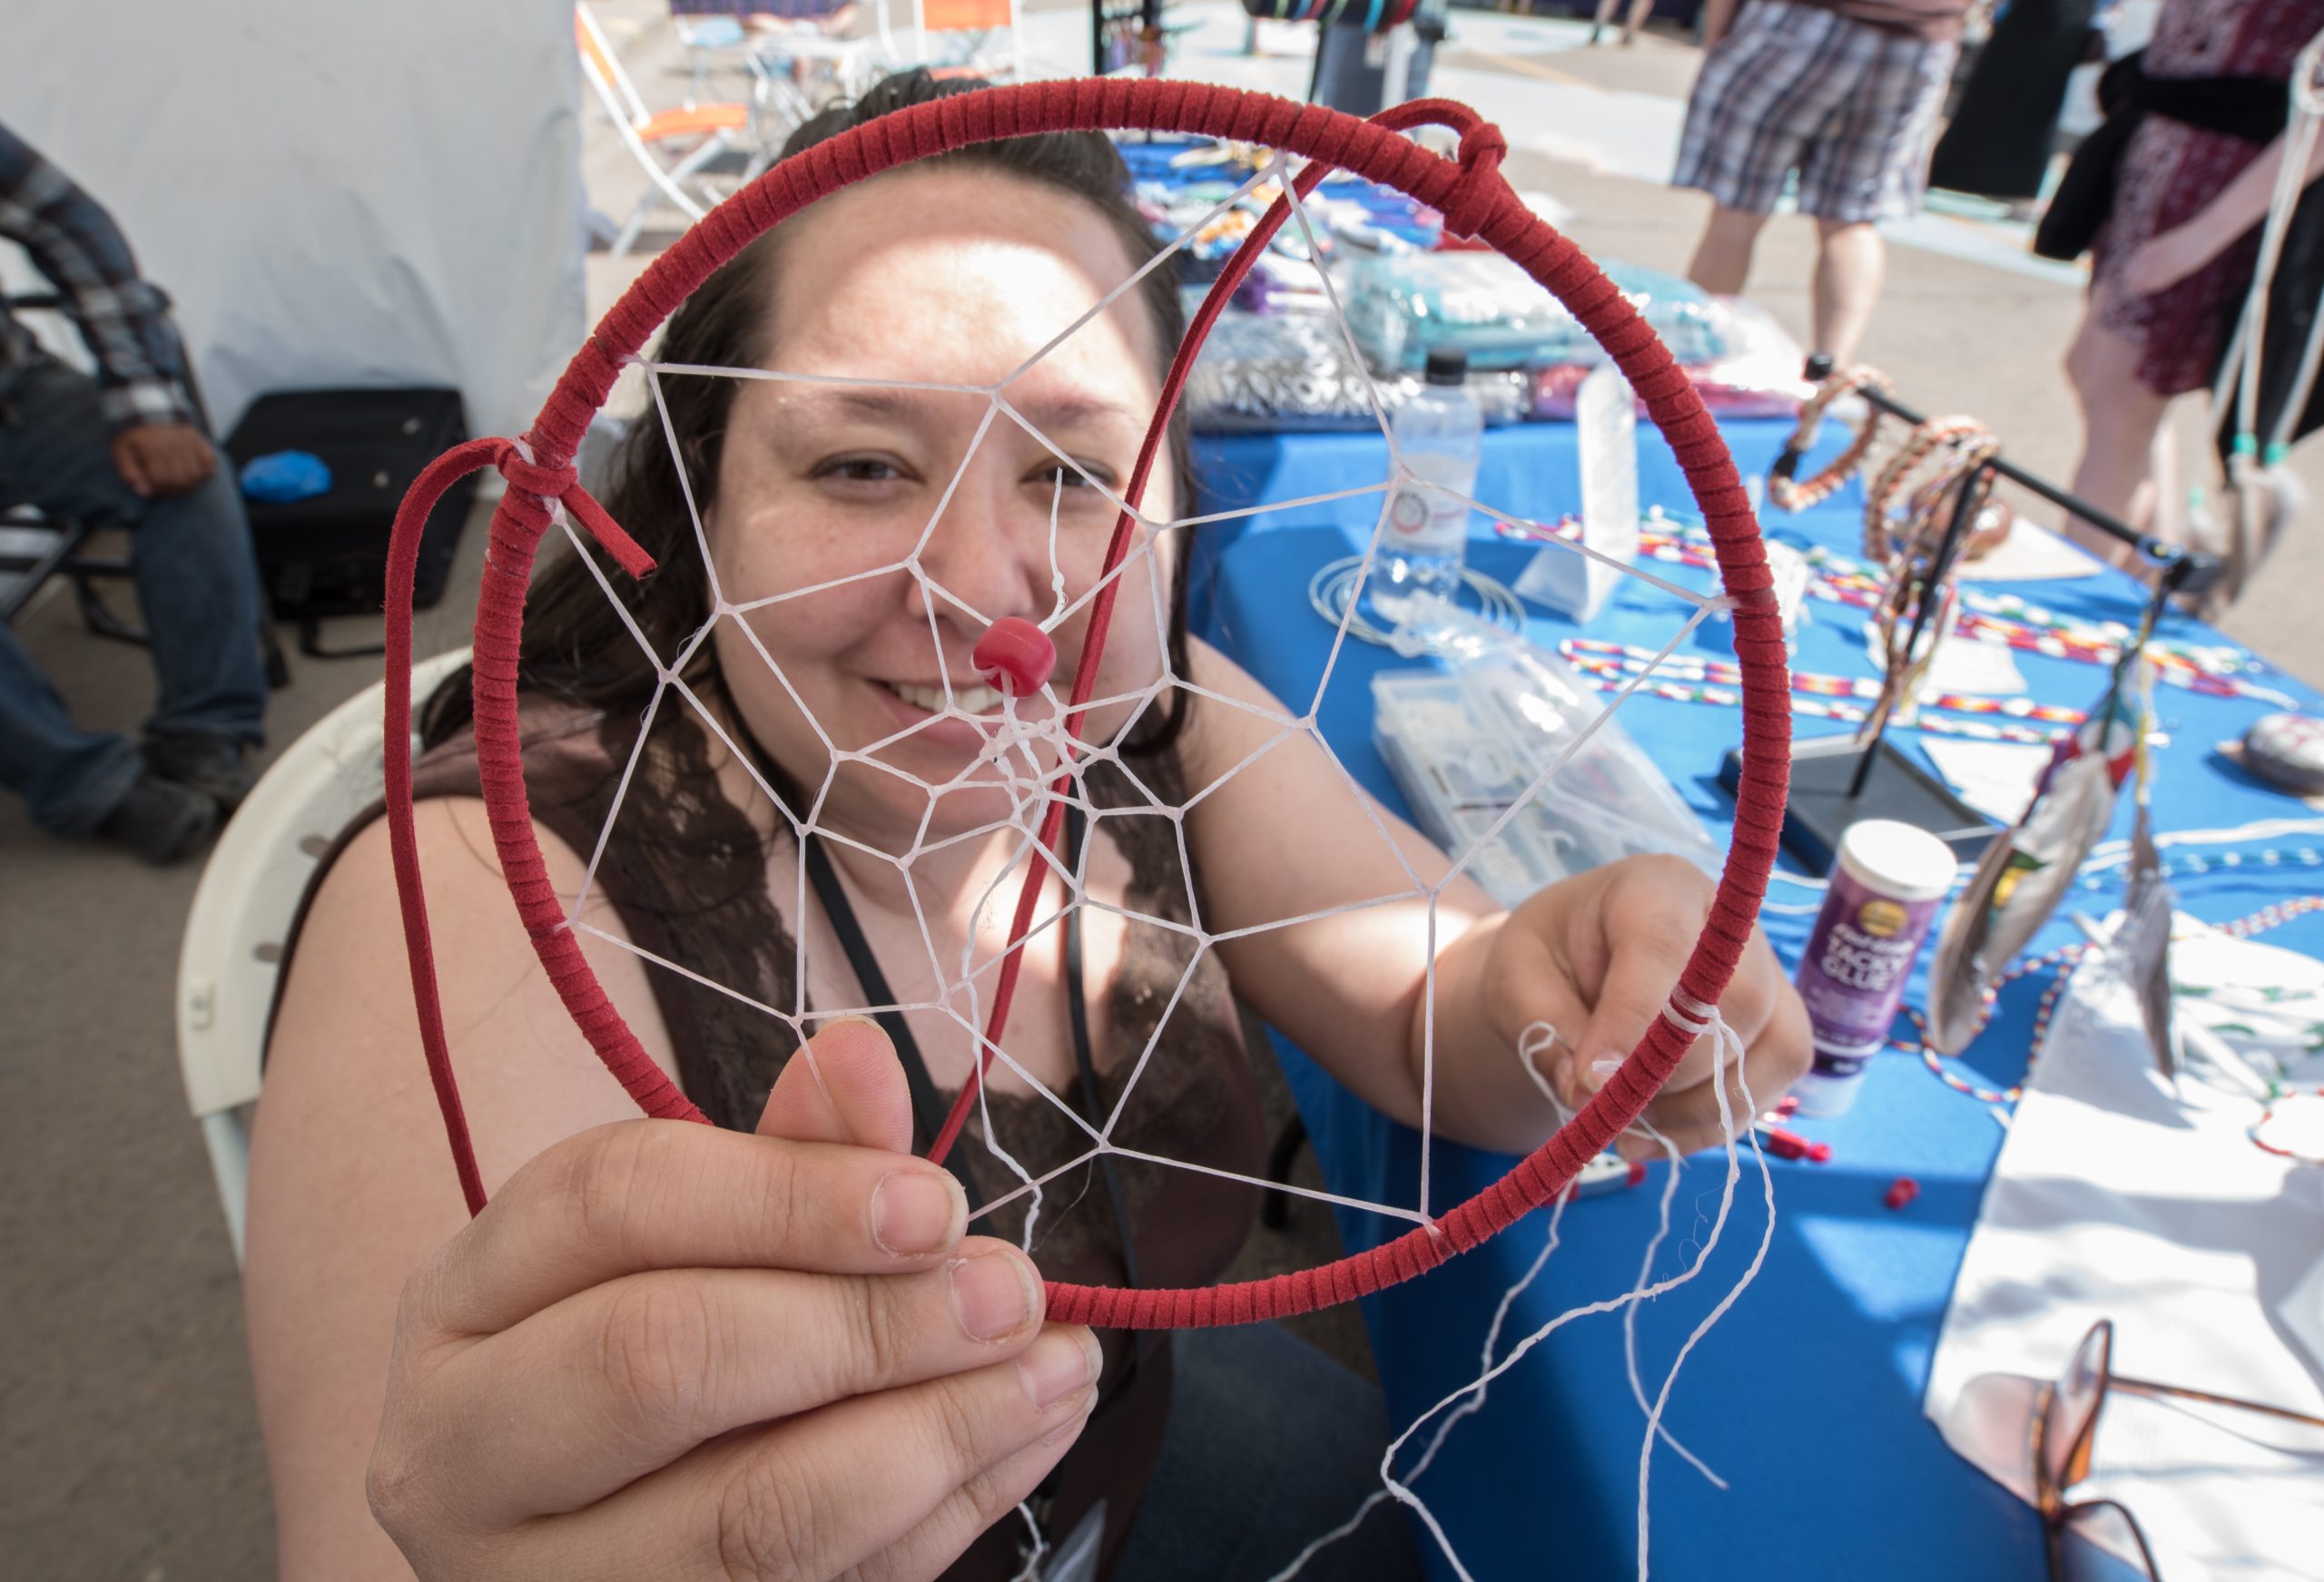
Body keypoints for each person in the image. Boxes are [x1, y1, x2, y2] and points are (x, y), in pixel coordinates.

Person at [243, 72, 1812, 1582]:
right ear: (700, 497)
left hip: (1117, 1461)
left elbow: (1434, 1011)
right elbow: (399, 1519)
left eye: (1074, 472)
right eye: (863, 463)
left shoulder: (1160, 718)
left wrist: (1566, 983)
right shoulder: (476, 896)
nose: (985, 589)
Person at [0, 121, 270, 863]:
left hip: (11, 399)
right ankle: (92, 786)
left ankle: (204, 733)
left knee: (183, 471)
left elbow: (68, 222)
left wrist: (144, 401)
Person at [2045, 0, 2324, 565]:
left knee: (2122, 405)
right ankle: (2148, 568)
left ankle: (2077, 580)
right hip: (2152, 177)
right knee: (2097, 376)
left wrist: (2203, 236)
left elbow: (2317, 118)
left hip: (2218, 198)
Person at [1672, 0, 1974, 368]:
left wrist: (1718, 32)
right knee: (1851, 221)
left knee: (1737, 211)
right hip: (1916, 43)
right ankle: (1832, 371)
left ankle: (1692, 361)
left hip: (1804, 24)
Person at [1928, 0, 2102, 215]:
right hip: (2033, 16)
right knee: (1992, 92)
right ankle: (1954, 173)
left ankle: (2018, 190)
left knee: (2035, 103)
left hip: (2061, 20)